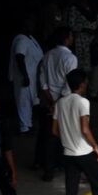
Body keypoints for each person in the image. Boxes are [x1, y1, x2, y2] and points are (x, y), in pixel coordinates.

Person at [37, 27, 77, 181]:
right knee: (64, 135)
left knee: (48, 135)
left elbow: (43, 82)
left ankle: (48, 167)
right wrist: (58, 103)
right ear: (67, 38)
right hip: (63, 102)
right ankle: (61, 165)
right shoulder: (70, 58)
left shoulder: (47, 55)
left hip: (48, 101)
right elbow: (69, 84)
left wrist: (51, 101)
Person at [8, 17, 43, 134]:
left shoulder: (30, 38)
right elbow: (19, 57)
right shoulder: (21, 39)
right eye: (30, 24)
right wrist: (25, 75)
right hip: (24, 77)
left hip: (32, 77)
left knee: (31, 101)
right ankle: (24, 128)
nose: (33, 26)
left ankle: (29, 125)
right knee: (24, 102)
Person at [67, 0, 98, 100]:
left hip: (94, 42)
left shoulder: (93, 9)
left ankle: (93, 93)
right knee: (83, 68)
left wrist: (97, 35)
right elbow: (71, 26)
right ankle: (83, 93)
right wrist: (85, 30)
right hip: (81, 42)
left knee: (96, 67)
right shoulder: (74, 8)